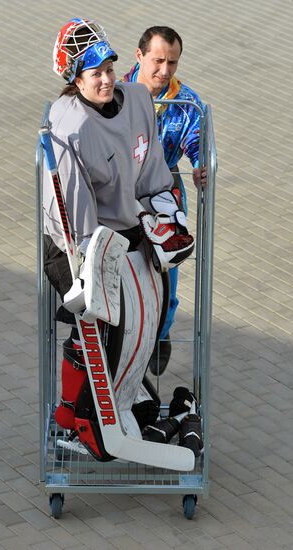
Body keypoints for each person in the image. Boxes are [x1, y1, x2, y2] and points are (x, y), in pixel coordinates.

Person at [43, 18, 195, 455]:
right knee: (107, 320)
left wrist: (164, 214)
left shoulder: (137, 100)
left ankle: (120, 404)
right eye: (96, 74)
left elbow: (150, 175)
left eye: (109, 68)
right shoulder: (68, 125)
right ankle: (83, 417)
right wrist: (91, 268)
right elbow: (75, 218)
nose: (108, 79)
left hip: (124, 231)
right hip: (76, 242)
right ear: (76, 80)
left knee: (151, 307)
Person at [123, 26, 207, 375]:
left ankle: (160, 330)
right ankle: (125, 336)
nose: (165, 70)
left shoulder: (185, 100)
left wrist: (201, 165)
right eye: (158, 60)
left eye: (172, 62)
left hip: (166, 183)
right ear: (139, 56)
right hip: (121, 183)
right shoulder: (114, 91)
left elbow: (198, 140)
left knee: (166, 265)